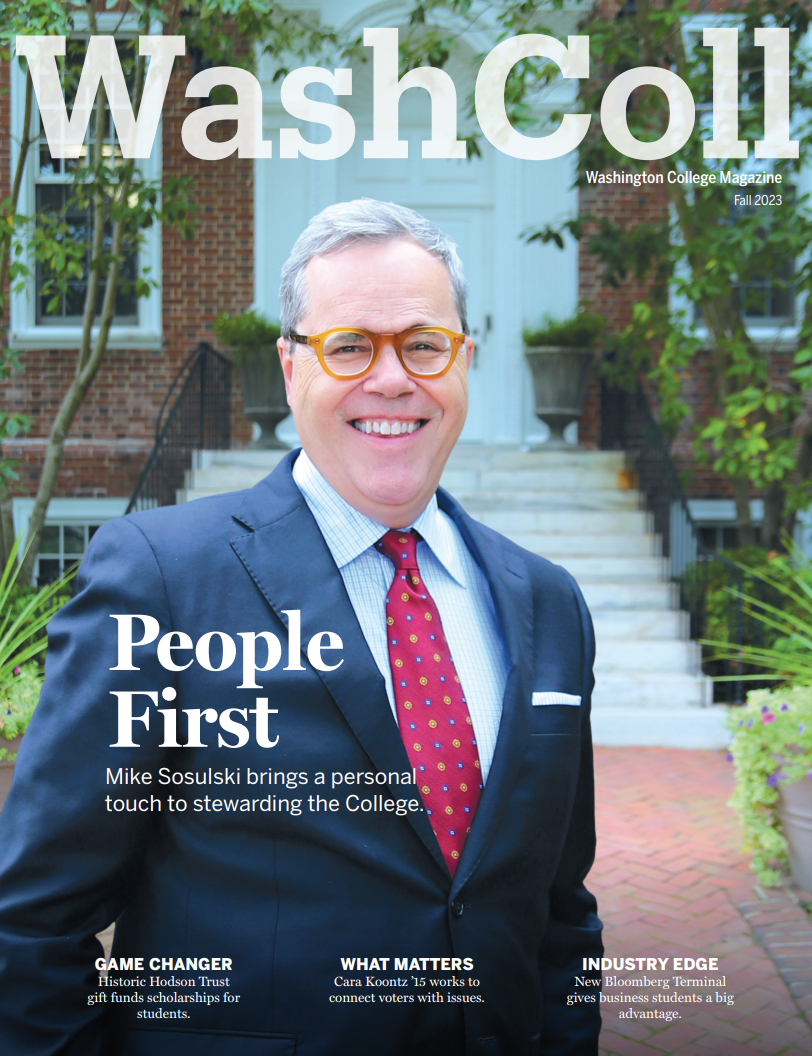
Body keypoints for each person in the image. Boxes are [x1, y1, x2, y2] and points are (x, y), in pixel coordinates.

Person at [0, 199, 602, 1055]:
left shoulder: (548, 602)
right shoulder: (163, 578)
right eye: (349, 345)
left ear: (465, 360)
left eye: (425, 345)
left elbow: (559, 907)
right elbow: (35, 922)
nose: (392, 380)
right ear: (291, 369)